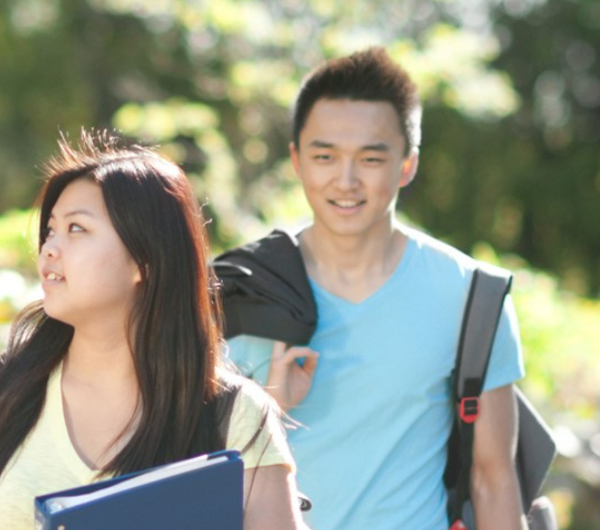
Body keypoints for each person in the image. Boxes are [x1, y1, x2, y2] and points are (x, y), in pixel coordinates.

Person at [0, 131, 305, 530]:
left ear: (144, 260)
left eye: (77, 229)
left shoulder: (234, 414)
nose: (50, 248)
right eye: (50, 230)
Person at [222, 47, 529, 530]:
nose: (346, 181)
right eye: (325, 156)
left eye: (370, 158)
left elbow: (493, 480)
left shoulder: (470, 296)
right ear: (297, 161)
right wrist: (268, 410)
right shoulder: (239, 290)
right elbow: (194, 470)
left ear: (407, 165)